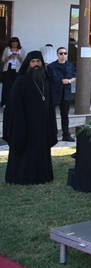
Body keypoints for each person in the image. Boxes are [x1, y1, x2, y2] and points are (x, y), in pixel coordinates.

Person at [4, 51, 58, 185]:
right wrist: (20, 124)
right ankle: (25, 177)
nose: (36, 65)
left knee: (41, 150)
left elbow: (49, 103)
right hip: (25, 125)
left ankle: (42, 175)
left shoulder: (45, 81)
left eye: (38, 61)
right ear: (28, 64)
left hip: (42, 124)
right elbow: (14, 106)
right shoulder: (21, 81)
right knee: (26, 151)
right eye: (33, 62)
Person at [47, 47, 77, 142]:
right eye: (61, 53)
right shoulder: (51, 66)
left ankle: (66, 134)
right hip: (55, 93)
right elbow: (48, 80)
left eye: (65, 53)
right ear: (57, 54)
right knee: (51, 115)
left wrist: (68, 81)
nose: (63, 55)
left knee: (65, 115)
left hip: (66, 93)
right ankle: (51, 134)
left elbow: (74, 77)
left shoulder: (70, 65)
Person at [2, 37, 25, 107]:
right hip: (8, 68)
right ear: (11, 43)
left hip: (17, 69)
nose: (14, 44)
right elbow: (3, 60)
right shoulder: (7, 49)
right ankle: (5, 102)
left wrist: (19, 57)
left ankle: (17, 102)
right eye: (13, 43)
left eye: (16, 42)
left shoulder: (21, 50)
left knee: (17, 85)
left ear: (18, 43)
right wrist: (9, 57)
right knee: (7, 86)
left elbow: (24, 61)